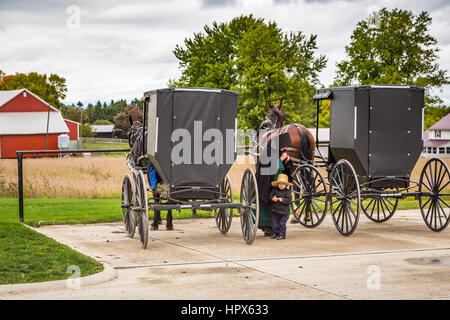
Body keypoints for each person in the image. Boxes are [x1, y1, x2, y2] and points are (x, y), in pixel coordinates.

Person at [255, 132, 293, 237]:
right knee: (268, 204)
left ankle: (277, 228)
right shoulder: (266, 153)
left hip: (279, 183)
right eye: (284, 145)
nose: (285, 148)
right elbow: (271, 168)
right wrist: (281, 160)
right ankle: (267, 227)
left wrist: (287, 161)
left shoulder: (279, 152)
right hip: (266, 183)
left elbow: (284, 168)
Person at [269, 174, 292, 240]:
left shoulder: (288, 192)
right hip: (275, 211)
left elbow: (289, 200)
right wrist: (272, 199)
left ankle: (282, 235)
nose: (281, 185)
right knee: (274, 223)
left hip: (284, 212)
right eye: (279, 184)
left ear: (286, 185)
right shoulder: (274, 191)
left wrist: (283, 200)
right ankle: (275, 233)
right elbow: (270, 197)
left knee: (282, 224)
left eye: (283, 184)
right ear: (277, 184)